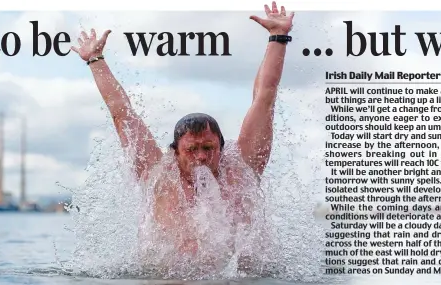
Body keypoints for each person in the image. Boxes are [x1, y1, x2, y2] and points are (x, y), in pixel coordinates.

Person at [71, 1, 294, 268]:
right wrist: (96, 61)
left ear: (222, 148)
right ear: (175, 151)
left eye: (208, 148)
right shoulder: (157, 172)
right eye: (191, 149)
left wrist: (278, 38)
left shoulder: (242, 166)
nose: (201, 156)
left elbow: (264, 99)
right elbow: (121, 112)